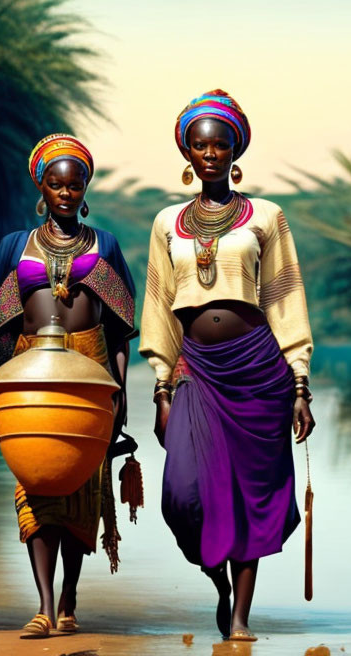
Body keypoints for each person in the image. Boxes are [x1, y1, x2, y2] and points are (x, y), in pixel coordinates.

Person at [139, 90, 315, 642]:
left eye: (221, 144)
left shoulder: (266, 216)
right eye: (201, 144)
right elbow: (159, 306)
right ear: (187, 152)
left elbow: (284, 297)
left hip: (259, 372)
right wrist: (162, 388)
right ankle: (216, 577)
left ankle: (240, 617)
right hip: (198, 371)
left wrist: (300, 383)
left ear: (235, 149)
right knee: (181, 495)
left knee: (250, 496)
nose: (210, 153)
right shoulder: (167, 221)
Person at [0, 134, 137, 638]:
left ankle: (69, 595)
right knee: (36, 479)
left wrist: (121, 390)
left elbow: (119, 327)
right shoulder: (14, 246)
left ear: (85, 187)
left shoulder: (105, 244)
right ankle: (45, 606)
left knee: (81, 488)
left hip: (90, 367)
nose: (66, 192)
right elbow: (1, 326)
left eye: (75, 184)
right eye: (56, 184)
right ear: (41, 188)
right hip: (30, 369)